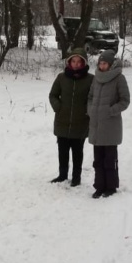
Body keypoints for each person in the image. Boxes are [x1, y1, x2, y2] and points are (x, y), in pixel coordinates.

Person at [87, 49, 130, 198]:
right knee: (97, 160)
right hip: (96, 126)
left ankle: (110, 187)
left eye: (104, 63)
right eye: (100, 63)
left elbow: (125, 101)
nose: (101, 65)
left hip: (111, 127)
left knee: (109, 160)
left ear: (110, 65)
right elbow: (90, 97)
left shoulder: (119, 78)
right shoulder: (96, 78)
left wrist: (110, 111)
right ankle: (99, 186)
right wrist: (91, 109)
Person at [48, 47, 94, 186]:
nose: (76, 64)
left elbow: (93, 98)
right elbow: (53, 95)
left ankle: (76, 177)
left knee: (77, 152)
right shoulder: (61, 78)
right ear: (69, 62)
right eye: (73, 61)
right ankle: (62, 175)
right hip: (62, 121)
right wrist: (58, 107)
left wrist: (88, 110)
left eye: (79, 62)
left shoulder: (91, 79)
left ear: (84, 63)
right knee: (62, 151)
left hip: (81, 122)